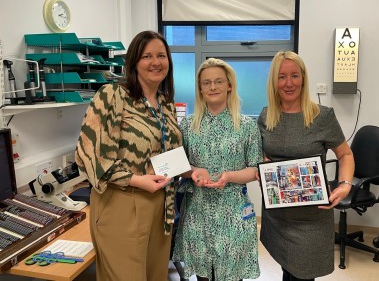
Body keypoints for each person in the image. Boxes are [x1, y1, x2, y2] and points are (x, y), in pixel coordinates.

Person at [75, 30, 182, 281]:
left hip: (161, 206)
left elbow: (169, 152)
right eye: (147, 56)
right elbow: (89, 154)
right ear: (133, 62)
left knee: (156, 276)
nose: (156, 62)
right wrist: (136, 180)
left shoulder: (165, 103)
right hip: (122, 202)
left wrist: (190, 170)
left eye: (161, 56)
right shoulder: (113, 95)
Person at [257, 51, 355, 281]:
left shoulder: (322, 117)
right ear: (274, 81)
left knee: (302, 274)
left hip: (311, 219)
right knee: (287, 272)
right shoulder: (266, 116)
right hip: (277, 217)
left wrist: (345, 185)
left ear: (304, 77)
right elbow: (260, 152)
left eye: (294, 76)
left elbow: (345, 155)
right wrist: (263, 161)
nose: (288, 83)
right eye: (282, 77)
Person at [172, 58, 262, 281]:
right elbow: (177, 166)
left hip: (233, 212)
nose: (213, 87)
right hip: (198, 211)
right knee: (203, 276)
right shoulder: (189, 126)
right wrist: (193, 171)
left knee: (232, 276)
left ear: (229, 85)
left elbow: (255, 169)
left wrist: (229, 176)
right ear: (200, 89)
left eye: (219, 81)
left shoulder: (246, 126)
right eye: (206, 83)